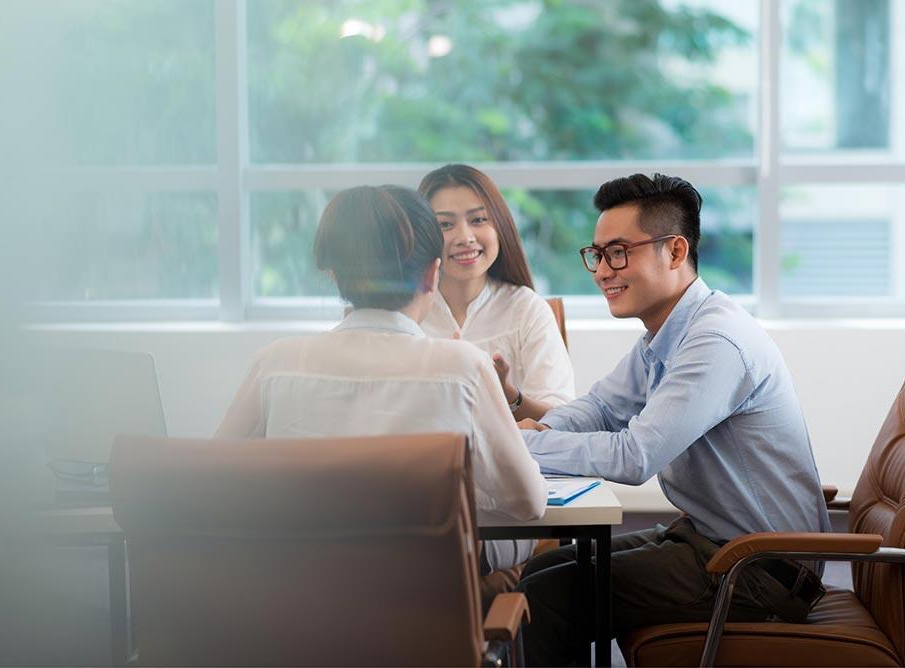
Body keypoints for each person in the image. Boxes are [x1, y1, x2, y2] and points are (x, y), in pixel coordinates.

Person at [515, 173, 832, 666]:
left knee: (547, 598)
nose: (602, 271)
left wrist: (516, 447)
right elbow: (601, 406)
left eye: (619, 252)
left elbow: (635, 455)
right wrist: (544, 430)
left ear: (676, 251)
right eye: (596, 254)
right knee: (546, 569)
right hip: (708, 539)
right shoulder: (666, 335)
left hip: (758, 567)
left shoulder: (715, 342)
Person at [214, 185, 547, 558]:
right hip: (432, 605)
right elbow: (528, 503)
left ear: (336, 276)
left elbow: (213, 481)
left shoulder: (274, 364)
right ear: (432, 275)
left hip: (301, 602)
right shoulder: (465, 366)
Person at [417, 164, 575, 422]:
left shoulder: (527, 309)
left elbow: (564, 419)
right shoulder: (406, 311)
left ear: (500, 225)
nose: (465, 237)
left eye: (478, 220)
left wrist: (508, 394)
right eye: (445, 224)